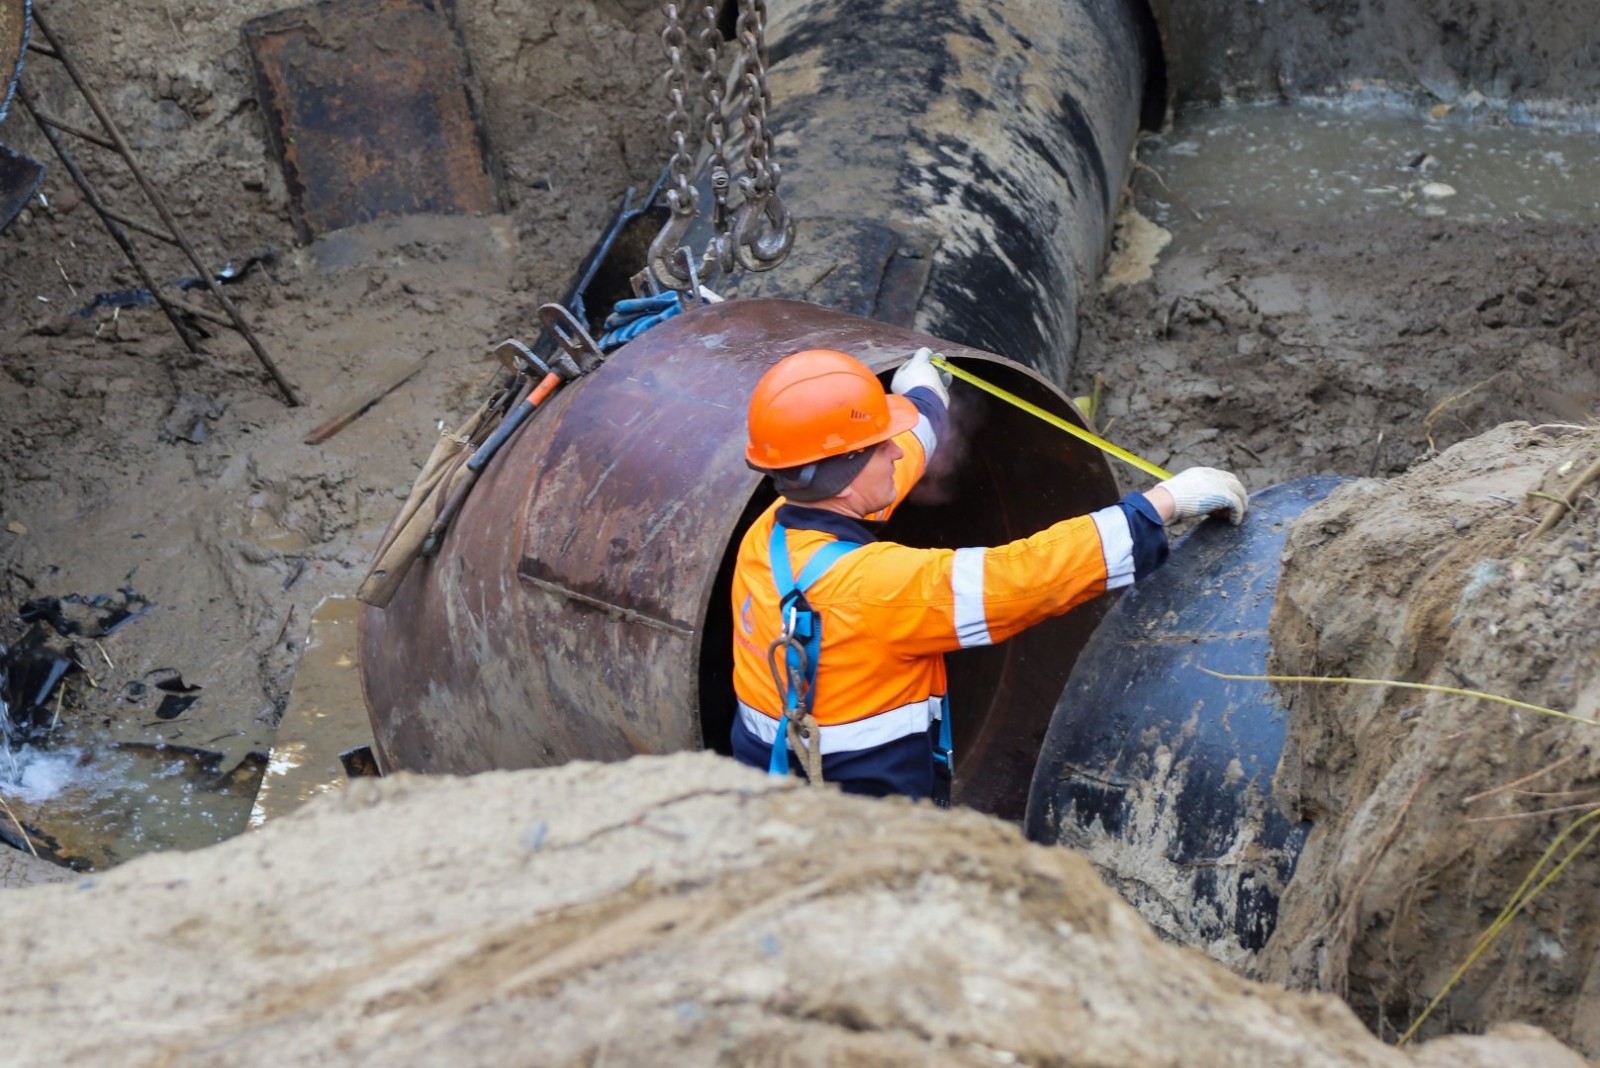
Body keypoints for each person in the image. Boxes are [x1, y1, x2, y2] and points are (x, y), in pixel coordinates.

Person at [730, 346, 1248, 801]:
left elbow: (895, 460)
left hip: (776, 799)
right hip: (866, 824)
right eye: (879, 443)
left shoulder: (768, 534)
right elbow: (1022, 579)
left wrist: (925, 403)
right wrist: (1158, 507)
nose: (895, 448)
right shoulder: (875, 588)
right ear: (842, 475)